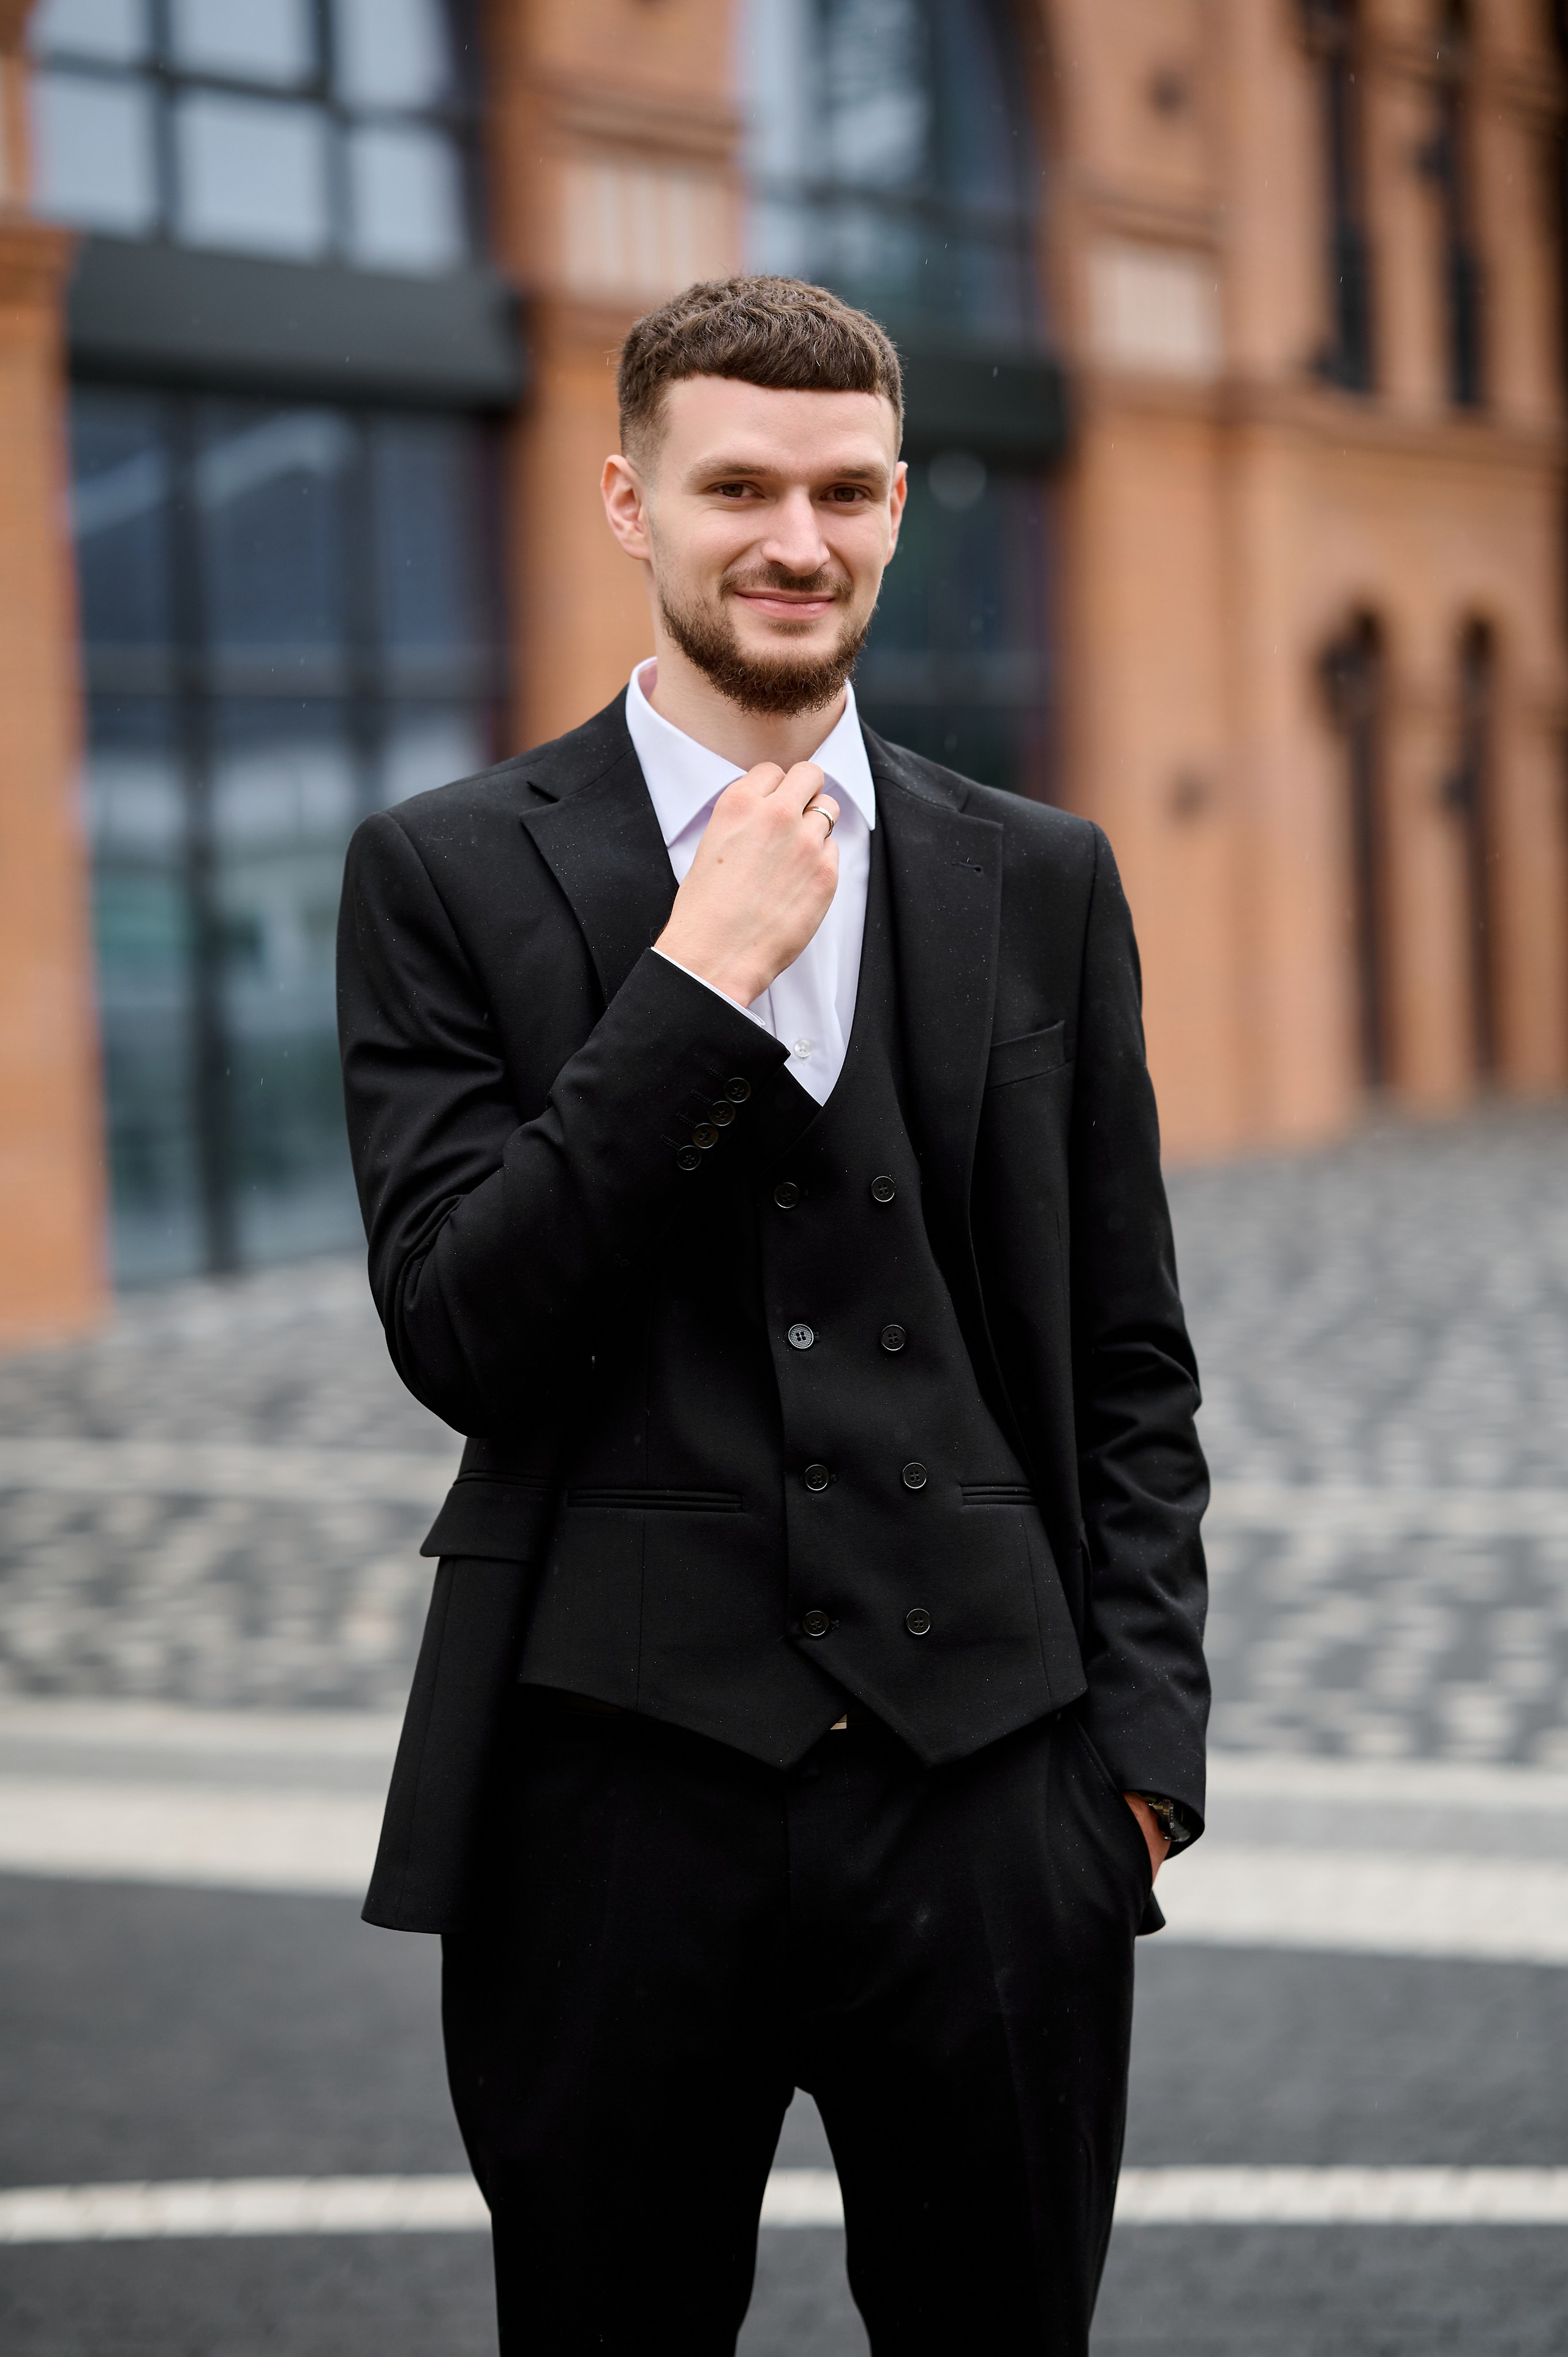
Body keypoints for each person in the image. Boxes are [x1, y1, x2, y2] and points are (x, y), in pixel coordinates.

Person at [337, 274, 1208, 2356]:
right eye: (737, 486)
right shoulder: (444, 871)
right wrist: (696, 984)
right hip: (609, 1794)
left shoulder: (1047, 876)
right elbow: (460, 1325)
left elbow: (1129, 1359)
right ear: (630, 503)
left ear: (902, 503)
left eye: (841, 491)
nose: (794, 541)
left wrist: (1142, 1762)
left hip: (1000, 1790)